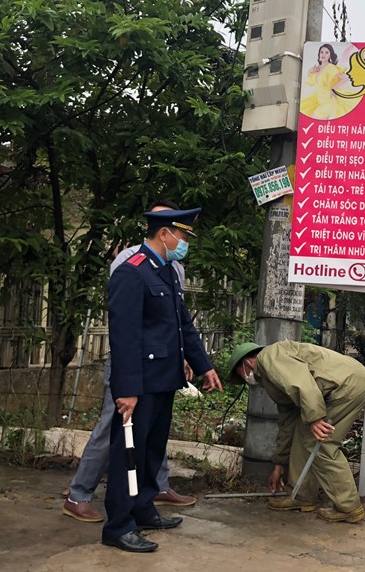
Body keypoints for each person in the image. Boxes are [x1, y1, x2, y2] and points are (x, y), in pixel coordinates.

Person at [62, 202, 198, 523]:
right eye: (177, 231)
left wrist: (182, 357)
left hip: (160, 366)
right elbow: (129, 324)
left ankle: (155, 488)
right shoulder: (131, 261)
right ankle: (79, 493)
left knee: (153, 429)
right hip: (131, 362)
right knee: (116, 424)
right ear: (160, 230)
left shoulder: (174, 267)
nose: (183, 238)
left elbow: (173, 320)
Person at [101, 206, 222, 553]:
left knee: (152, 451)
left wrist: (204, 365)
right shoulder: (131, 273)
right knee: (129, 452)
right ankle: (118, 525)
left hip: (164, 379)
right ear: (165, 233)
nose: (184, 243)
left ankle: (143, 508)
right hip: (139, 383)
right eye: (182, 236)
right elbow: (123, 336)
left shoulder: (166, 271)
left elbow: (182, 325)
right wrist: (125, 390)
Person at [225, 340, 365, 523]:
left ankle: (348, 507)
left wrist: (315, 417)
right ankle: (301, 496)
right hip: (349, 384)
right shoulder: (270, 378)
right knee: (303, 433)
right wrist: (279, 464)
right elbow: (288, 423)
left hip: (345, 387)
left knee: (320, 443)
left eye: (240, 374)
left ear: (246, 363)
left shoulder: (269, 357)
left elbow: (301, 383)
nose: (245, 379)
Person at [299, 43, 362, 120]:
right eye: (321, 52)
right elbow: (312, 82)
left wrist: (333, 88)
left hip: (329, 102)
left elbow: (345, 77)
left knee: (313, 119)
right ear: (319, 54)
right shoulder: (316, 68)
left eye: (326, 52)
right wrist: (310, 71)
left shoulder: (331, 68)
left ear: (330, 55)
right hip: (318, 101)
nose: (323, 54)